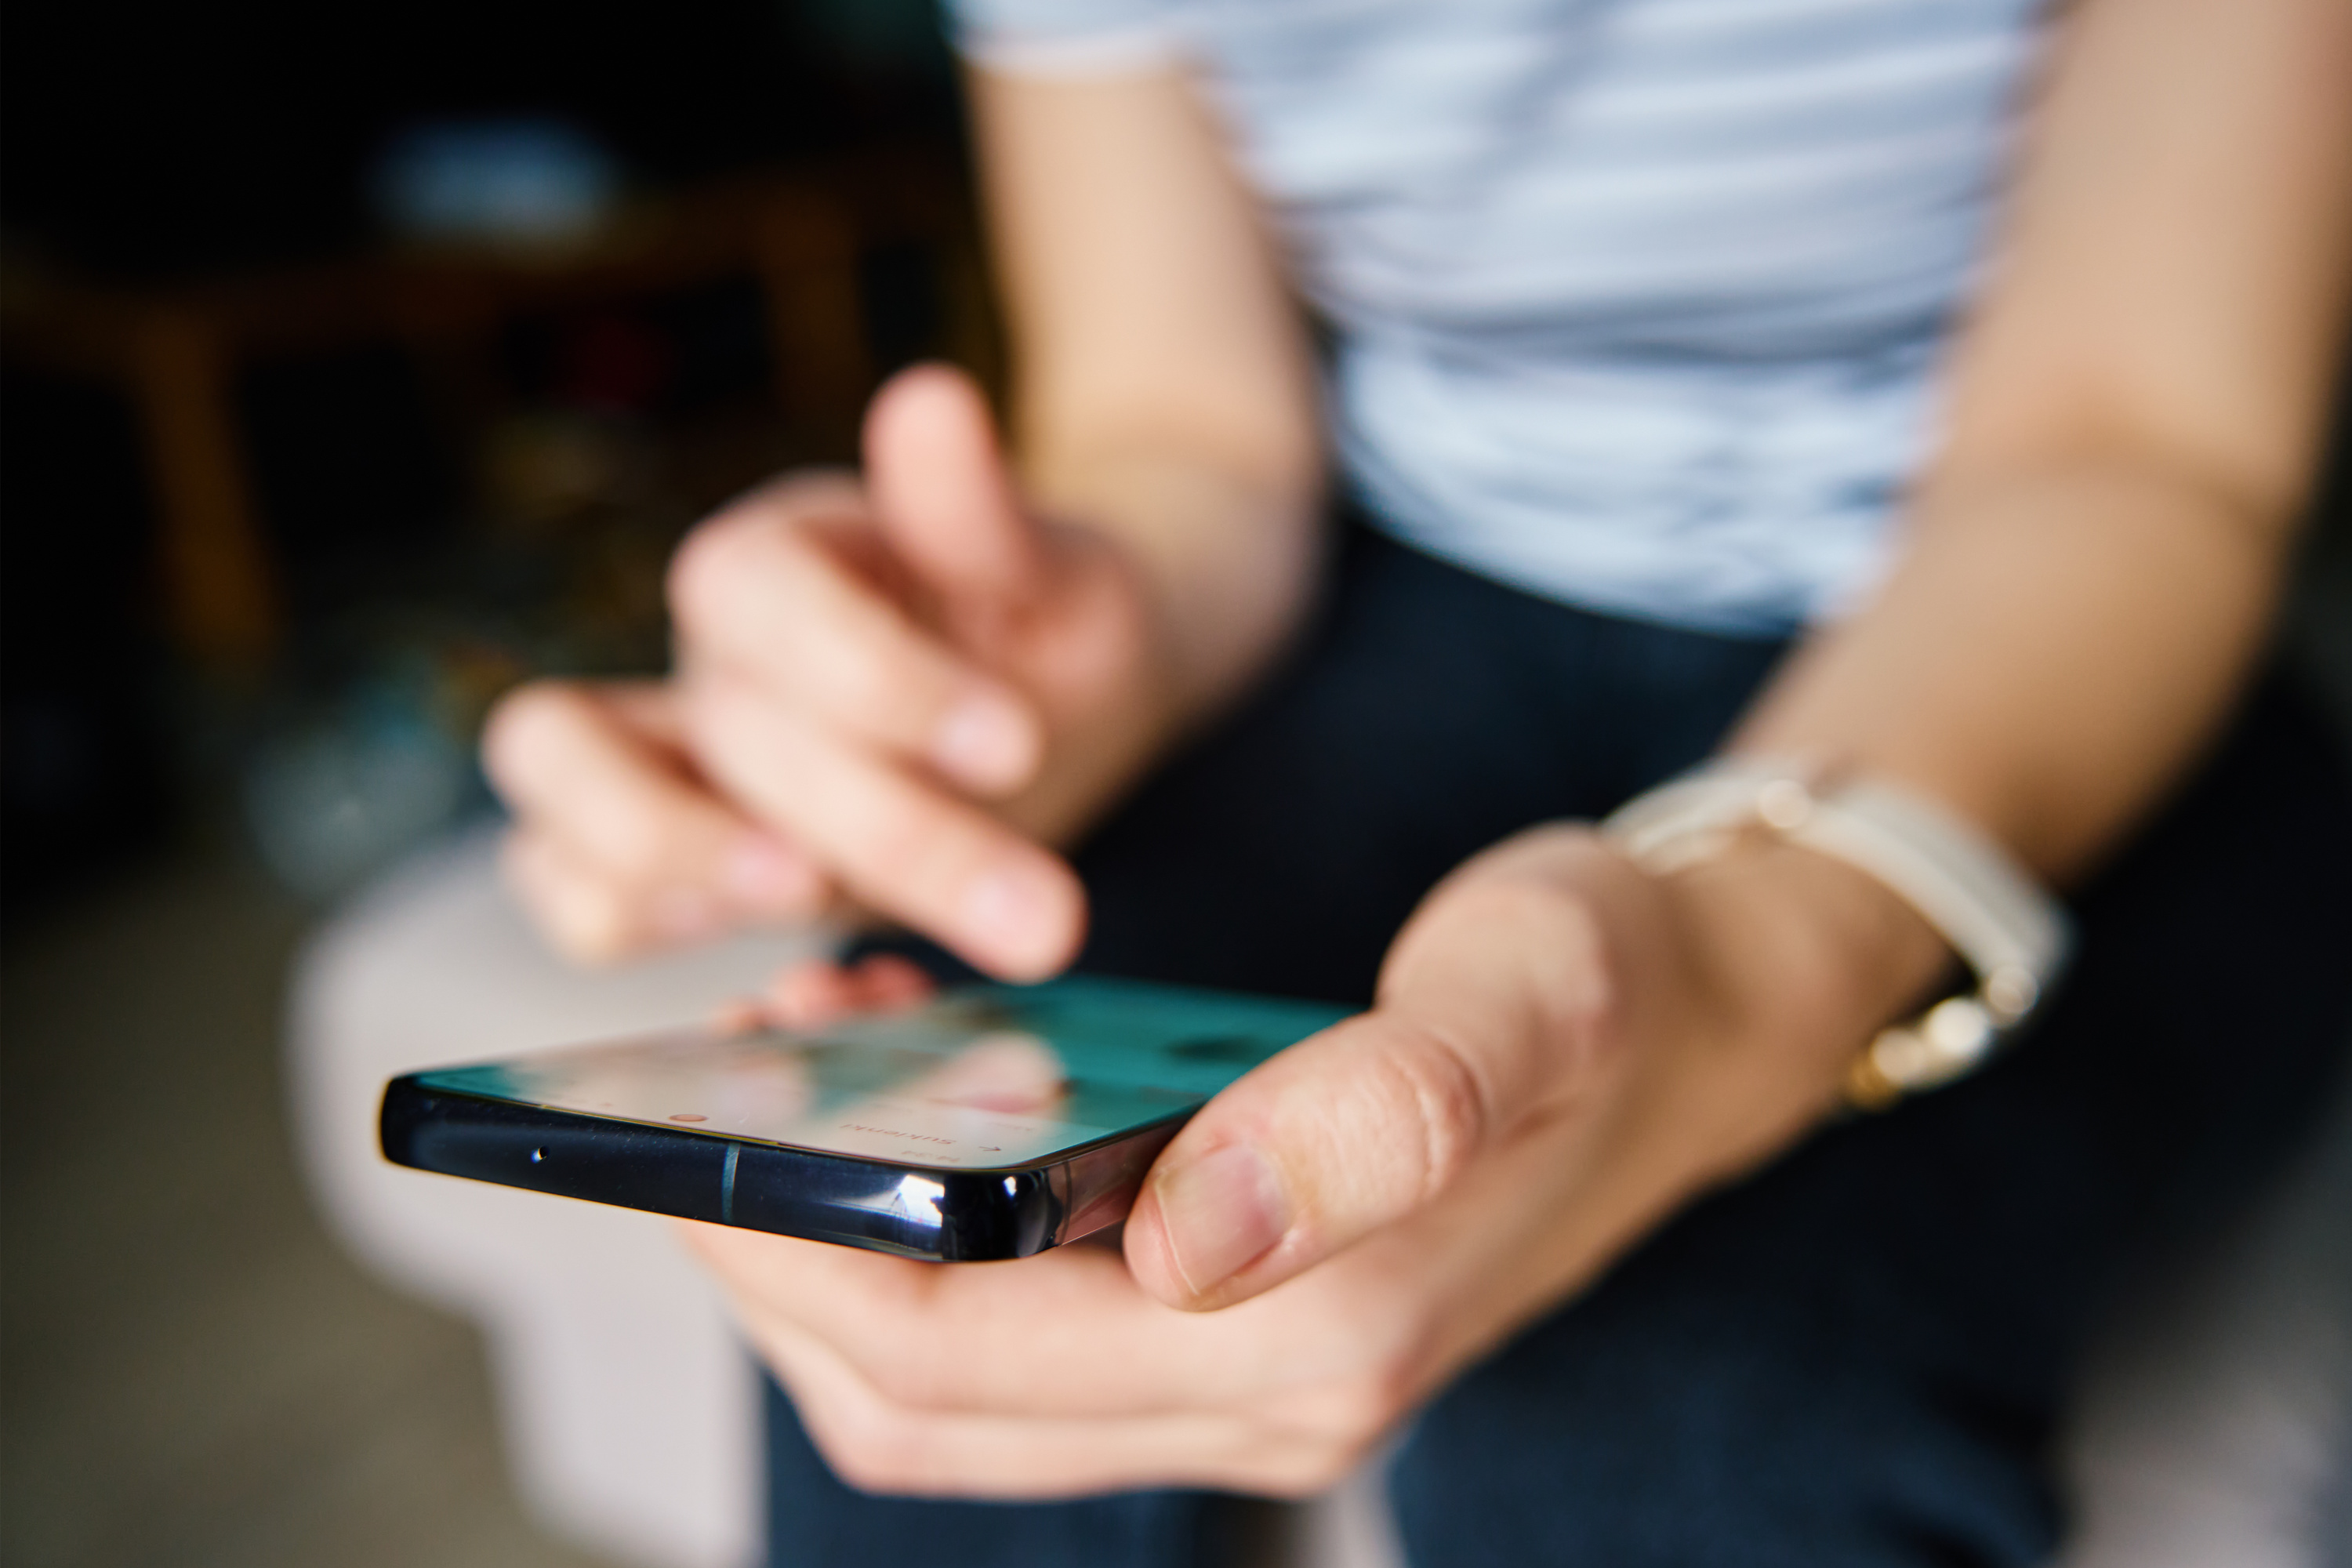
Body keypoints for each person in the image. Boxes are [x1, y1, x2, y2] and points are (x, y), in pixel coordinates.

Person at [479, 0, 2352, 1562]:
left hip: (2066, 620)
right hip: (1409, 579)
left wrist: (1761, 955)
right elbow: (1180, 417)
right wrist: (1007, 667)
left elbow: (2136, 445)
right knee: (925, 1163)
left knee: (1691, 1422)